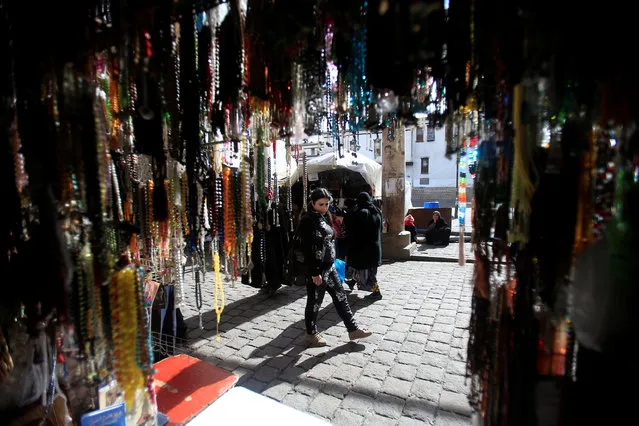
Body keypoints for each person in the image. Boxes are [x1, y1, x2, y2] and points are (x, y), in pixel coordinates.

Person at [297, 188, 372, 346]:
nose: (324, 207)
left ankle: (352, 329)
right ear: (313, 203)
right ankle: (311, 333)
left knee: (340, 297)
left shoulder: (325, 217)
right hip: (317, 270)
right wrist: (314, 272)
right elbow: (308, 249)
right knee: (315, 302)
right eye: (320, 204)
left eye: (326, 204)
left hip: (329, 267)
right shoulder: (307, 220)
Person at [347, 191, 383, 300]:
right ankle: (352, 282)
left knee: (369, 273)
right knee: (358, 268)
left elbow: (351, 224)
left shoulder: (363, 212)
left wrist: (351, 210)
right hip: (374, 247)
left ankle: (377, 293)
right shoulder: (377, 211)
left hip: (365, 249)